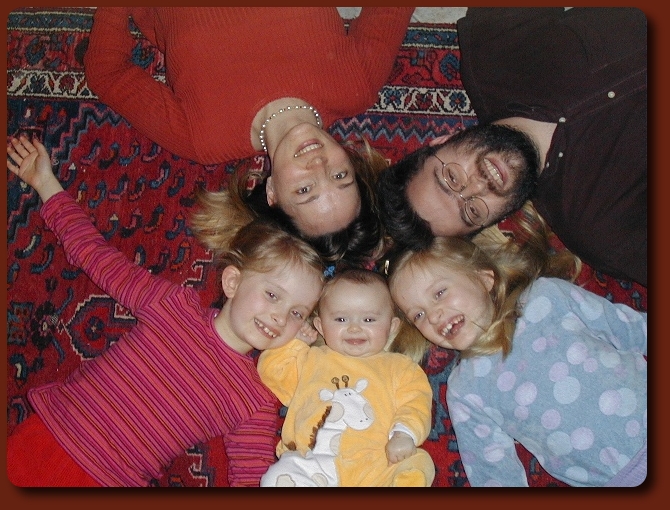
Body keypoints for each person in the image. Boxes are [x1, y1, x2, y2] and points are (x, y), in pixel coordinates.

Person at [6, 135, 325, 487]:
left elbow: (252, 479)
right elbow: (97, 257)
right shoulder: (173, 306)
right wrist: (46, 183)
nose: (281, 317)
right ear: (233, 282)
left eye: (297, 313)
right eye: (273, 295)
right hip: (48, 438)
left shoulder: (255, 401)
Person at [85, 7, 415, 265]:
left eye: (305, 189)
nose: (318, 164)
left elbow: (107, 72)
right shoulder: (354, 84)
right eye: (340, 175)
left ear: (272, 192)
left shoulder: (203, 137)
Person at [377, 7, 647, 286]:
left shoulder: (494, 45)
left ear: (442, 141)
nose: (478, 187)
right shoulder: (601, 231)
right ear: (493, 220)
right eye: (472, 211)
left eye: (452, 178)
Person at [386, 223, 647, 487]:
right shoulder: (465, 390)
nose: (433, 315)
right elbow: (494, 474)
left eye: (439, 293)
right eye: (418, 315)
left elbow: (632, 329)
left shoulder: (546, 297)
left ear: (484, 278)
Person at [257, 269, 435, 487]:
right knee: (276, 477)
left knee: (418, 464)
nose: (354, 327)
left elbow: (416, 402)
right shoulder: (310, 359)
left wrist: (404, 433)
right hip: (311, 462)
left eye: (369, 319)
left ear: (391, 327)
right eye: (341, 319)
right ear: (321, 326)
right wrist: (294, 344)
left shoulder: (401, 368)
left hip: (376, 465)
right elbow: (272, 373)